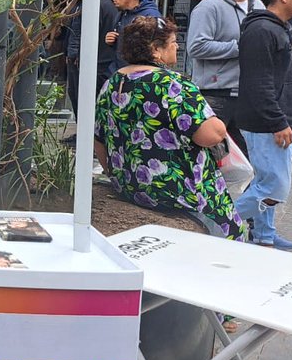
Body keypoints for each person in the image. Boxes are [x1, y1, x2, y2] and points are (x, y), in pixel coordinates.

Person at [94, 16, 244, 239]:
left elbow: (99, 141)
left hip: (131, 185)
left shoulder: (114, 82)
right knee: (233, 231)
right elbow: (211, 135)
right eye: (173, 42)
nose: (177, 47)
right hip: (177, 191)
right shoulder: (172, 84)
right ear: (156, 50)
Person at [236, 0, 292, 249]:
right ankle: (216, 221)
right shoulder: (262, 30)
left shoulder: (276, 29)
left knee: (265, 180)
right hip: (264, 122)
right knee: (275, 186)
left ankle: (264, 235)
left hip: (271, 118)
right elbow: (258, 82)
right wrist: (278, 121)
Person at [186, 0, 261, 155]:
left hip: (248, 94)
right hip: (215, 94)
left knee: (245, 161)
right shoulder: (210, 7)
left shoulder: (258, 6)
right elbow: (196, 46)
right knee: (210, 157)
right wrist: (241, 47)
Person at [65, 0, 118, 120]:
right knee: (83, 98)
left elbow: (82, 33)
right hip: (93, 60)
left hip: (89, 62)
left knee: (82, 98)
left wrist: (74, 55)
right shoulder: (104, 4)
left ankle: (87, 137)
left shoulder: (95, 4)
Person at [105, 0, 162, 74]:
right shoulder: (122, 13)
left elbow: (156, 48)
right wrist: (112, 41)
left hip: (140, 76)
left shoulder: (151, 16)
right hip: (119, 72)